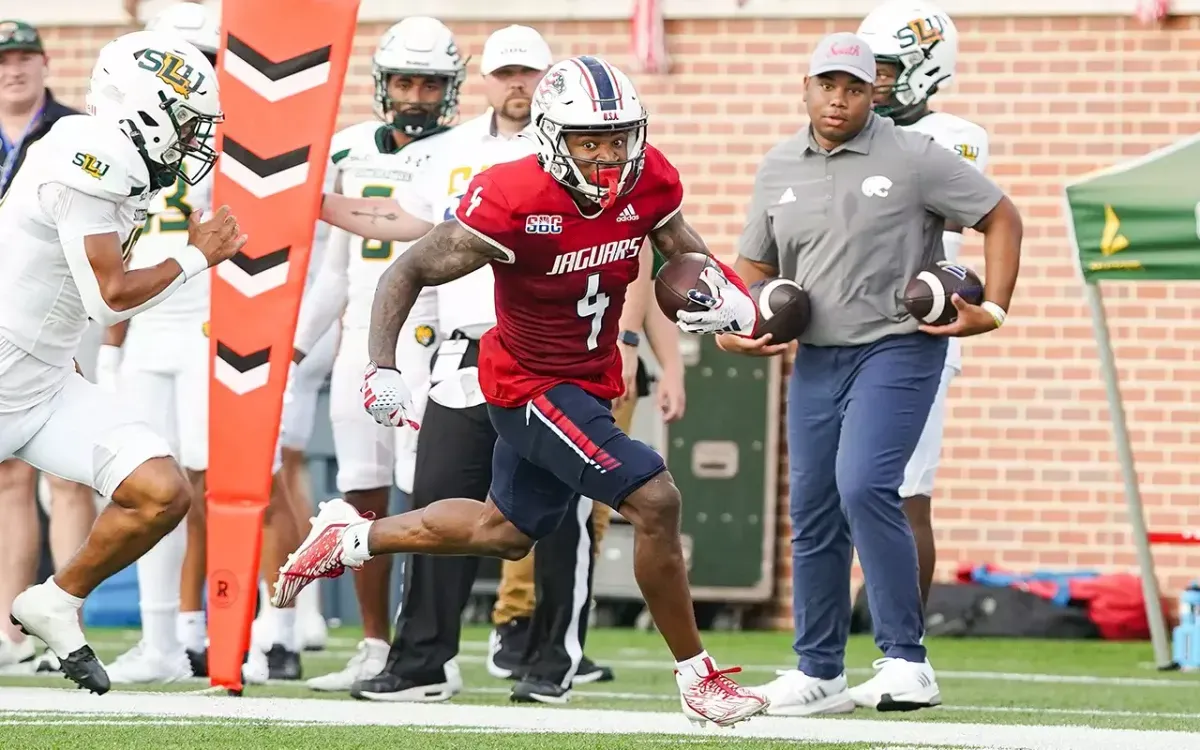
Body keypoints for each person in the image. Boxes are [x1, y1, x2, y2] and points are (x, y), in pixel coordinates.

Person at [274, 54, 771, 727]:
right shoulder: (513, 195)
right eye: (588, 142)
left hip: (589, 380)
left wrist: (728, 302)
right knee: (655, 498)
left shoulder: (648, 178)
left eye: (618, 138)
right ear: (552, 138)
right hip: (526, 383)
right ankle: (699, 681)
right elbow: (408, 271)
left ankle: (353, 538)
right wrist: (383, 365)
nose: (606, 156)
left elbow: (680, 248)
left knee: (503, 532)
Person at [720, 33, 1022, 715]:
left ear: (872, 93)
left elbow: (1001, 217)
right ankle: (819, 672)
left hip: (898, 346)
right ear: (806, 88)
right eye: (827, 85)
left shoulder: (916, 156)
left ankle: (908, 663)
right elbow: (756, 268)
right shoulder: (776, 166)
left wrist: (995, 308)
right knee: (814, 506)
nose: (839, 98)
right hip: (817, 356)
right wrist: (743, 324)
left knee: (865, 486)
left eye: (854, 87)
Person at [0, 29, 243, 695]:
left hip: (44, 380)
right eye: (187, 120)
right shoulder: (90, 153)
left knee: (161, 492)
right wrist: (199, 255)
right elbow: (108, 298)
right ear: (147, 106)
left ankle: (54, 599)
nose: (194, 138)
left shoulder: (115, 158)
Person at [291, 15, 466, 692]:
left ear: (448, 89)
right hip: (361, 338)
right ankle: (373, 642)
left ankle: (429, 651)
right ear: (383, 84)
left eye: (429, 83)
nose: (417, 95)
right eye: (405, 81)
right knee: (360, 488)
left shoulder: (463, 150)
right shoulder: (347, 149)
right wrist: (300, 346)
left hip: (427, 335)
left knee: (427, 490)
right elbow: (333, 272)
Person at [486, 248, 688, 685]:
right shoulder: (549, 207)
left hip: (607, 366)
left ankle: (560, 637)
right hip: (553, 373)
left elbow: (651, 283)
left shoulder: (635, 202)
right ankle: (518, 623)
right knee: (525, 514)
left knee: (592, 511)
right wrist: (629, 343)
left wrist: (669, 365)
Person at [857, 0, 989, 613]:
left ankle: (906, 649)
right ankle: (825, 650)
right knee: (836, 492)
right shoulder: (844, 132)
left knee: (905, 492)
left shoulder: (954, 139)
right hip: (845, 328)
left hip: (917, 329)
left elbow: (955, 217)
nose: (869, 81)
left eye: (883, 69)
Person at [0, 18, 101, 673]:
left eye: (23, 57)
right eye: (3, 59)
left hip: (62, 311)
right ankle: (10, 628)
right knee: (7, 475)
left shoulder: (74, 130)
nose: (12, 69)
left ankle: (65, 617)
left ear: (44, 63)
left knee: (67, 474)